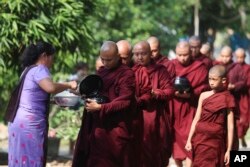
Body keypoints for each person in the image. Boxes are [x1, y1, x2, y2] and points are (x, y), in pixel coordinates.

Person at [7, 41, 77, 167]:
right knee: (32, 161)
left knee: (21, 161)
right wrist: (69, 84)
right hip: (29, 125)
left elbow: (32, 98)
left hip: (18, 122)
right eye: (52, 58)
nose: (52, 62)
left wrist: (57, 101)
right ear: (44, 56)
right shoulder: (40, 69)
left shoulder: (27, 70)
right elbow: (50, 87)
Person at [72, 41, 136, 167]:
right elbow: (96, 92)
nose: (105, 63)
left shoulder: (126, 74)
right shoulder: (102, 71)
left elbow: (125, 100)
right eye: (103, 59)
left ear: (118, 56)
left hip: (115, 129)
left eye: (109, 60)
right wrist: (82, 93)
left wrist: (101, 107)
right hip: (98, 128)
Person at [133, 41, 174, 167]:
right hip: (138, 117)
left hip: (157, 117)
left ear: (150, 54)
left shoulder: (160, 71)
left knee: (157, 152)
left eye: (143, 54)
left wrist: (155, 93)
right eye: (137, 54)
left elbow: (170, 91)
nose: (140, 57)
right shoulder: (132, 72)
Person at [185, 65, 235, 167]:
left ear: (223, 80)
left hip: (215, 141)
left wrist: (229, 149)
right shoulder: (203, 96)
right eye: (209, 79)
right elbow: (196, 119)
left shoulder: (228, 98)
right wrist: (189, 139)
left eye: (214, 79)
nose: (211, 82)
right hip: (200, 139)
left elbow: (230, 126)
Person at [171, 41, 209, 167]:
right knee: (175, 143)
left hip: (191, 109)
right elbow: (164, 83)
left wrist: (191, 94)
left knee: (190, 140)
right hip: (174, 109)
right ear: (176, 53)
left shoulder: (199, 66)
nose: (182, 58)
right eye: (180, 55)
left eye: (185, 54)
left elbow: (205, 86)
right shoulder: (171, 66)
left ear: (191, 53)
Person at [234, 48, 250, 147]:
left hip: (245, 97)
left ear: (245, 57)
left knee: (245, 120)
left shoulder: (248, 68)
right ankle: (239, 139)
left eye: (242, 57)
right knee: (236, 120)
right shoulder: (233, 67)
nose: (240, 59)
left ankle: (242, 136)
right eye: (238, 57)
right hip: (235, 97)